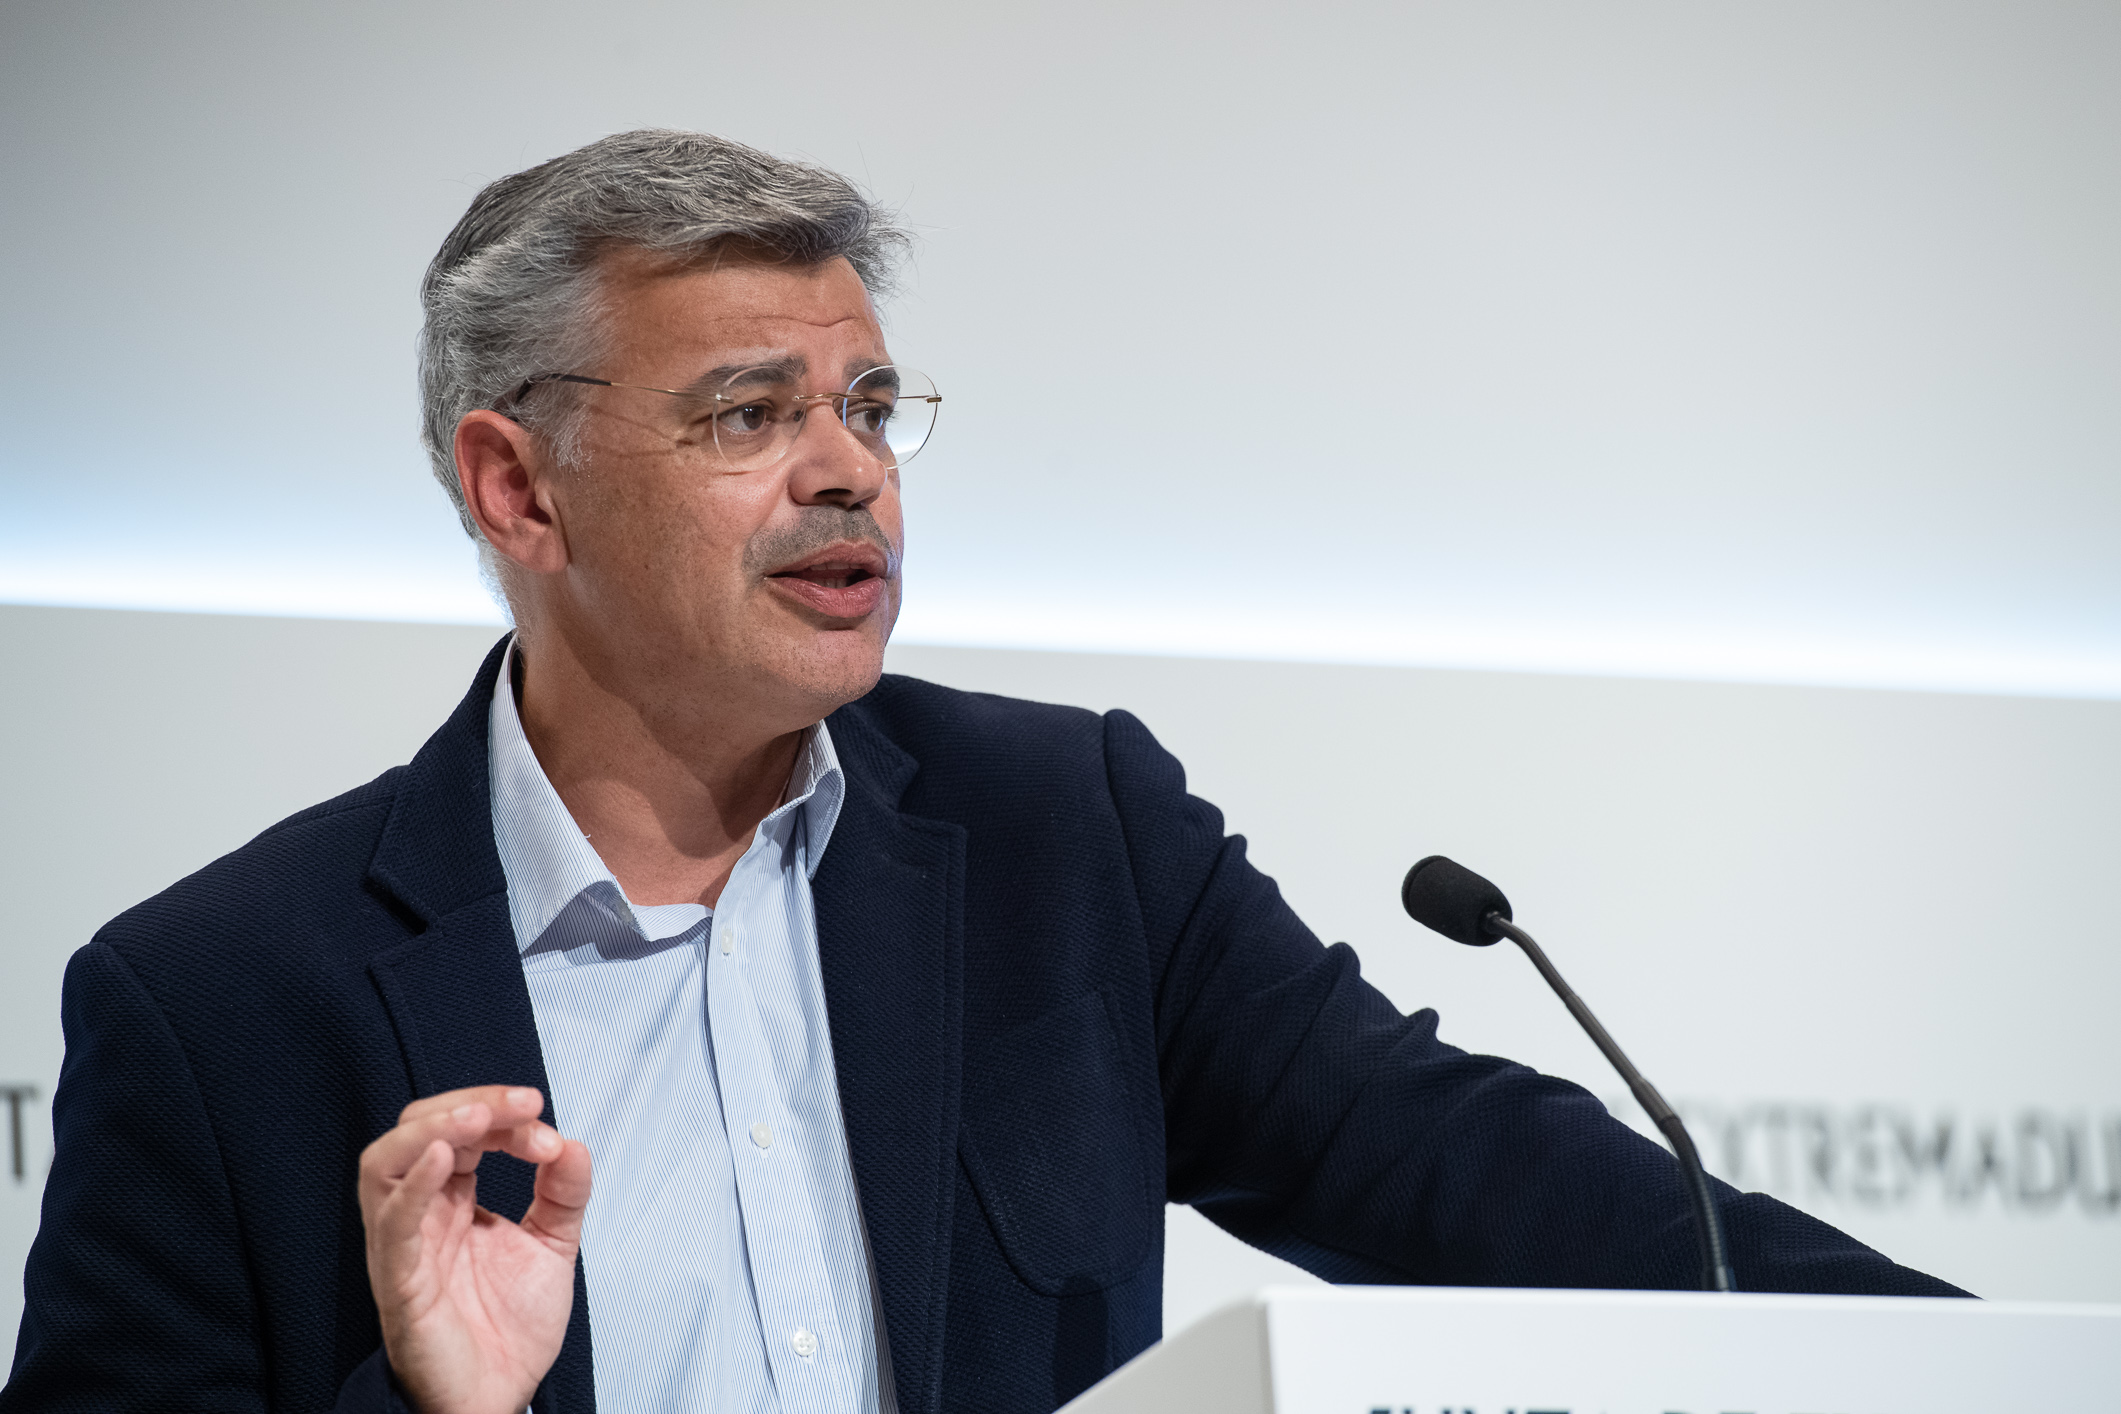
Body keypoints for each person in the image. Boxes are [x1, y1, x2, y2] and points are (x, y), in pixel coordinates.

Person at [2, 129, 1962, 1414]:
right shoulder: (217, 999)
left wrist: (1979, 1371)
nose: (847, 466)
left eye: (864, 402)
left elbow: (1473, 1178)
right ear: (519, 484)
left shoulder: (1067, 841)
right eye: (747, 412)